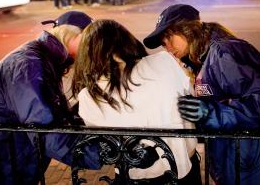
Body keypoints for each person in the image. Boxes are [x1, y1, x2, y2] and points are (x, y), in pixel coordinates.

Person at [143, 4, 260, 185]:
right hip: (240, 164)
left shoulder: (225, 52)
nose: (168, 47)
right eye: (163, 44)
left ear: (187, 29)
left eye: (169, 38)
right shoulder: (201, 59)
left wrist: (209, 113)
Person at [0, 11, 100, 184]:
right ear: (73, 35)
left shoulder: (42, 59)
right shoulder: (28, 64)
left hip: (5, 161)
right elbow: (43, 129)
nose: (90, 49)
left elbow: (52, 114)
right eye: (88, 41)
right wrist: (97, 153)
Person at [72, 19, 201, 184]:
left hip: (134, 176)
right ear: (126, 40)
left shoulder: (89, 96)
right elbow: (192, 99)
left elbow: (105, 140)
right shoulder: (165, 62)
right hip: (183, 168)